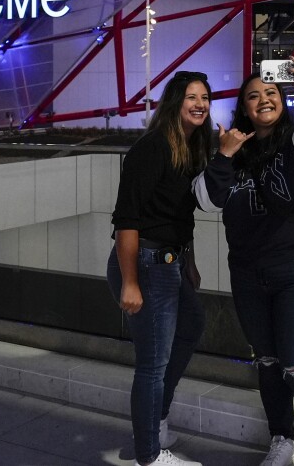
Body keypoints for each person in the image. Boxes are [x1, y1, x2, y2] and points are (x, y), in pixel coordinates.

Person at [199, 55, 294, 466]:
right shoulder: (231, 150)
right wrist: (224, 156)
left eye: (271, 92)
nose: (264, 99)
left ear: (282, 101)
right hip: (249, 275)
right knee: (268, 362)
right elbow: (207, 200)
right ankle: (283, 439)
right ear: (244, 108)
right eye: (253, 96)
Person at [107, 71, 212, 466]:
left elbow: (181, 216)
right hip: (145, 265)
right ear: (174, 102)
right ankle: (149, 455)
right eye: (192, 97)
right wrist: (130, 282)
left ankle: (155, 422)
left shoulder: (190, 147)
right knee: (153, 363)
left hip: (170, 263)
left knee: (192, 324)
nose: (200, 104)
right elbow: (126, 220)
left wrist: (189, 261)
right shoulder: (151, 148)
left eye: (205, 97)